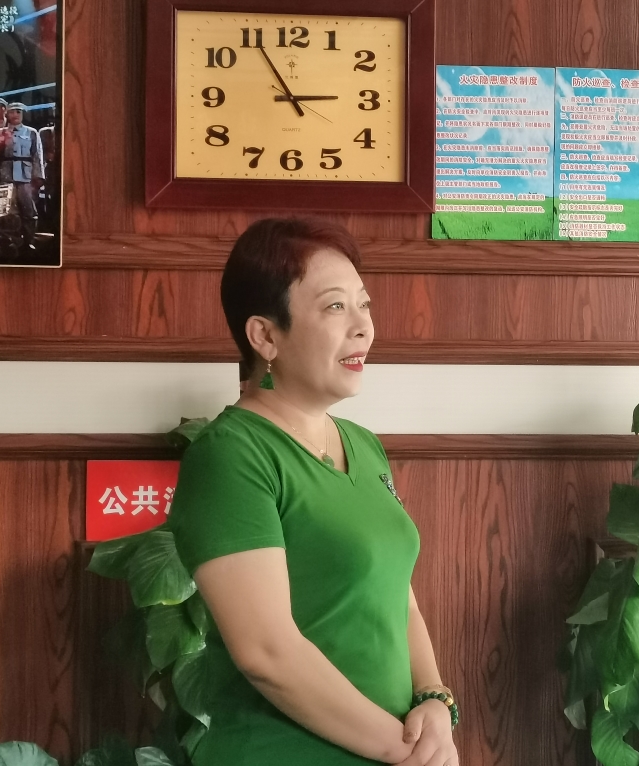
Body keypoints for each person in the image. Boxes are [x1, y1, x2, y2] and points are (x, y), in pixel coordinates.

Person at [167, 218, 460, 766]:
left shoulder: (363, 445)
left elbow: (397, 595)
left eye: (364, 304)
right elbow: (267, 653)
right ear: (265, 336)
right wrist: (406, 750)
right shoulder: (230, 456)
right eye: (335, 307)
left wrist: (433, 700)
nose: (364, 327)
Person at [0, 102, 44, 252]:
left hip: (26, 177)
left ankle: (29, 240)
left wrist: (39, 176)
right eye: (12, 112)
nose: (15, 115)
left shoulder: (32, 133)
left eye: (18, 112)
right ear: (7, 115)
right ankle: (13, 240)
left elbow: (37, 155)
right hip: (5, 176)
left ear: (22, 114)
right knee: (9, 210)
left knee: (29, 210)